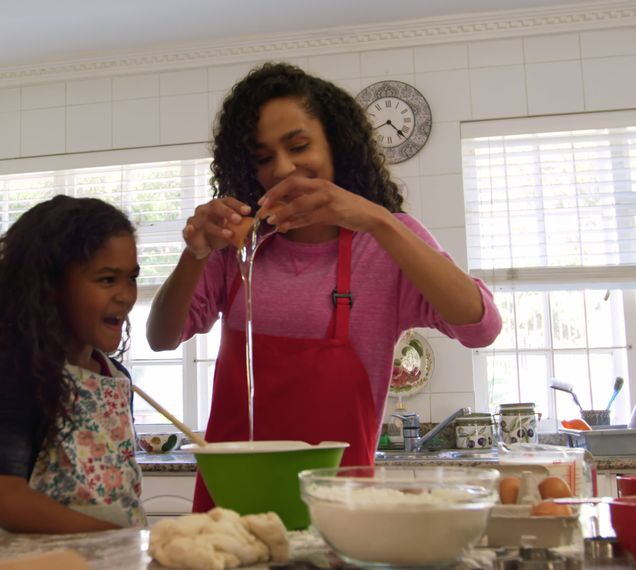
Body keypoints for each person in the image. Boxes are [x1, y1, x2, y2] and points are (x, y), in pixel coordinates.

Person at [145, 62, 503, 512]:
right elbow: (160, 337)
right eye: (262, 157)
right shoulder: (237, 246)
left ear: (335, 144)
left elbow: (482, 326)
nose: (283, 168)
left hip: (338, 513)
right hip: (230, 509)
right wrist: (194, 254)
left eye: (298, 146)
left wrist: (376, 218)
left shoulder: (385, 241)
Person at [0, 195, 144, 533]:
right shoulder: (23, 377)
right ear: (51, 287)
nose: (126, 295)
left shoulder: (116, 379)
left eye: (131, 277)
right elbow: (4, 500)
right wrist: (111, 536)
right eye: (106, 279)